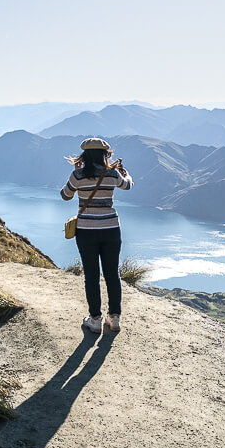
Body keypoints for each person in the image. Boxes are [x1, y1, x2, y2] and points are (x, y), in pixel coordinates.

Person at [60, 136, 132, 334]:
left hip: (86, 230)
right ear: (104, 155)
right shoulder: (113, 173)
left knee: (91, 275)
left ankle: (95, 319)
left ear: (84, 155)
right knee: (112, 273)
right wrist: (126, 174)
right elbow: (127, 185)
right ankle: (114, 318)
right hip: (111, 228)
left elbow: (65, 195)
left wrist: (77, 180)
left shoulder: (77, 175)